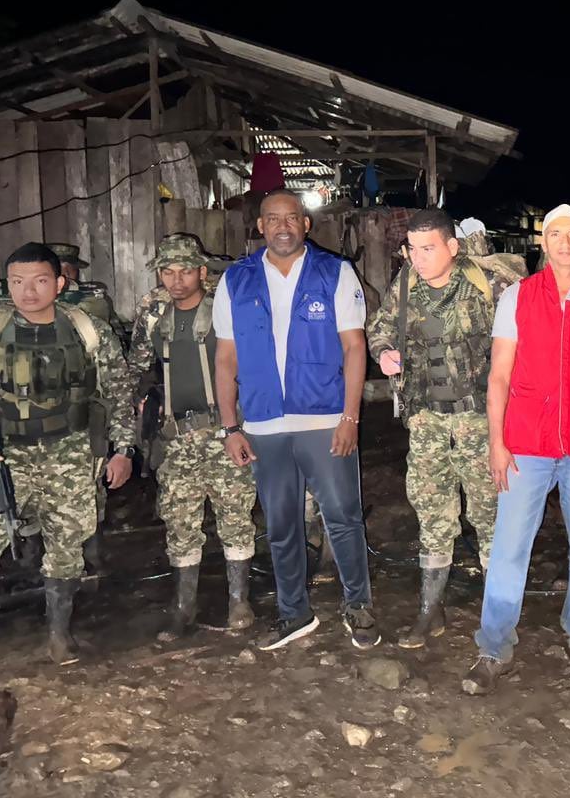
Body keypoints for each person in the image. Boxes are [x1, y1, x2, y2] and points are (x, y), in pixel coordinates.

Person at [0, 242, 135, 691]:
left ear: (60, 283)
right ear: (6, 284)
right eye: (18, 282)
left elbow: (120, 393)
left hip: (70, 452)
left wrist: (124, 449)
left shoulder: (88, 329)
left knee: (67, 547)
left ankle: (60, 637)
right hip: (1, 456)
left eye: (40, 280)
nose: (29, 291)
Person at [461, 204, 570, 695]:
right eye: (556, 234)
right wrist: (497, 441)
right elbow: (500, 374)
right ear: (544, 242)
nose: (565, 242)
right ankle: (493, 646)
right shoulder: (518, 297)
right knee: (510, 545)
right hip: (526, 441)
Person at [212, 189, 377, 651]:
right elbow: (225, 359)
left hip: (325, 419)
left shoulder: (334, 272)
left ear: (306, 224)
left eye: (291, 218)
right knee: (281, 525)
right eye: (272, 219)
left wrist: (351, 417)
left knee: (342, 517)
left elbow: (354, 347)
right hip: (264, 424)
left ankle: (357, 605)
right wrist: (231, 427)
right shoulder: (236, 281)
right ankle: (293, 613)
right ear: (260, 227)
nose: (282, 226)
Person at [366, 209, 511, 648]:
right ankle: (431, 610)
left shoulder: (490, 286)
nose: (419, 257)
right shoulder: (406, 284)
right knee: (431, 514)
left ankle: (498, 615)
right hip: (426, 422)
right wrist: (384, 350)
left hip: (479, 422)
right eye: (413, 248)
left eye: (429, 248)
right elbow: (380, 326)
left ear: (453, 246)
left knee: (490, 516)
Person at [129, 234, 256, 638]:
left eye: (186, 270)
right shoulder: (152, 313)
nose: (177, 280)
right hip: (176, 434)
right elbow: (136, 367)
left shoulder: (226, 306)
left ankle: (240, 602)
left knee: (235, 515)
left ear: (202, 271)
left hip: (224, 430)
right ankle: (184, 606)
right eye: (168, 271)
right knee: (180, 520)